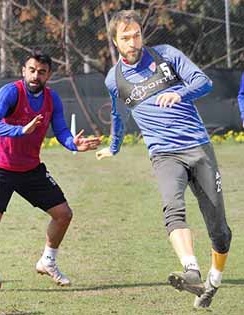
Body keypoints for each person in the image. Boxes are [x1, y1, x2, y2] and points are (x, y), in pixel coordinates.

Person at [95, 10, 232, 308]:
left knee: (219, 230)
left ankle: (213, 281)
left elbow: (204, 81)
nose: (133, 42)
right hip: (163, 153)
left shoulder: (166, 55)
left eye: (137, 35)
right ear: (115, 42)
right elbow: (119, 116)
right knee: (172, 207)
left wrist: (180, 93)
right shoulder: (114, 79)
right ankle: (191, 269)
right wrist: (114, 147)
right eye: (126, 38)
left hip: (198, 148)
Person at [0, 51, 101, 287]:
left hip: (31, 169)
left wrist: (73, 143)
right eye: (31, 70)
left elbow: (61, 130)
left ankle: (47, 261)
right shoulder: (11, 92)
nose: (35, 76)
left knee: (64, 215)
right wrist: (20, 130)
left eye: (41, 72)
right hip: (1, 168)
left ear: (48, 75)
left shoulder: (52, 99)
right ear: (23, 71)